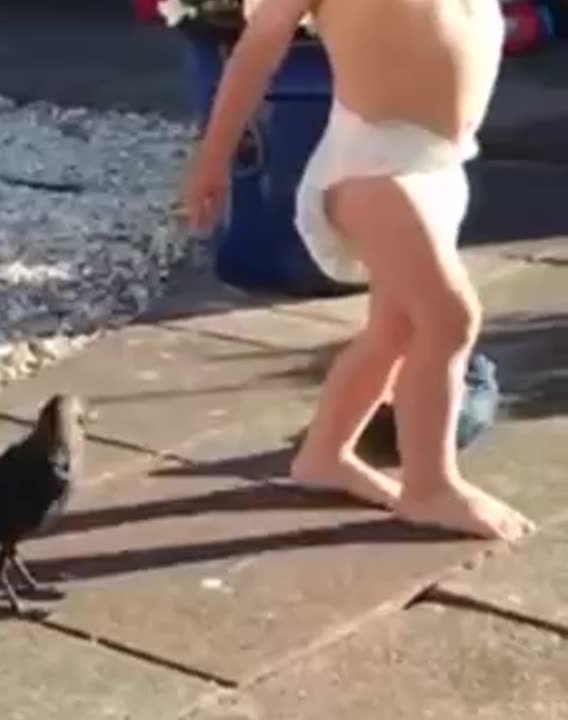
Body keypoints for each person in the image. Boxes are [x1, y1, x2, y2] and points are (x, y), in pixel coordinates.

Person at [182, 0, 534, 541]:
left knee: (395, 330)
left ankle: (325, 454)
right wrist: (214, 156)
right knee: (448, 319)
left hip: (438, 165)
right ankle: (430, 487)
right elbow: (257, 48)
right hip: (372, 165)